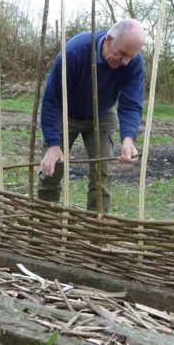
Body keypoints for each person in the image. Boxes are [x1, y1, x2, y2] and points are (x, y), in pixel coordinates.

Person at [38, 18, 146, 213]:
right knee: (51, 171)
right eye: (122, 54)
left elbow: (131, 104)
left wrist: (128, 139)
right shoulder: (74, 52)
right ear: (109, 40)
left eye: (131, 56)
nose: (126, 61)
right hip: (66, 112)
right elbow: (51, 100)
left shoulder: (134, 62)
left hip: (103, 113)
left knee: (102, 173)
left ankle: (96, 234)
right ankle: (45, 227)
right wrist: (53, 145)